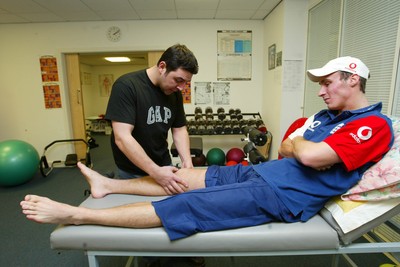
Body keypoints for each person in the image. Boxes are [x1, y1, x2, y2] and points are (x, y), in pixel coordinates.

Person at [21, 56, 394, 242]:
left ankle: (76, 215)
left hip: (283, 193)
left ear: (353, 79)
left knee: (182, 204)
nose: (321, 90)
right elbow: (285, 144)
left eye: (328, 83)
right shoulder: (327, 116)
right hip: (263, 171)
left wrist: (300, 144)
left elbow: (306, 152)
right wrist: (299, 144)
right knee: (181, 176)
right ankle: (108, 185)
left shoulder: (373, 125)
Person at [105, 44, 199, 195]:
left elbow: (179, 129)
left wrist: (187, 162)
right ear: (162, 67)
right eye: (178, 80)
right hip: (133, 171)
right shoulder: (127, 86)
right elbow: (122, 137)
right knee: (134, 214)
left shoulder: (174, 94)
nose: (181, 87)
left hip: (164, 165)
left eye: (185, 82)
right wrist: (155, 172)